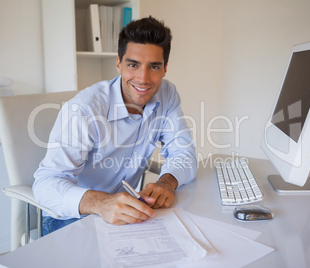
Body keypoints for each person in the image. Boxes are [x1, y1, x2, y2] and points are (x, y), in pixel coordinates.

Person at [33, 16, 197, 236]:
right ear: (118, 63)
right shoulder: (84, 109)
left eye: (154, 67)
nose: (143, 78)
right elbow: (45, 185)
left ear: (165, 68)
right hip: (70, 217)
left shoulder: (167, 94)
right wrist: (101, 203)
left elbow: (183, 151)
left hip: (121, 214)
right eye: (133, 65)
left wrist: (168, 181)